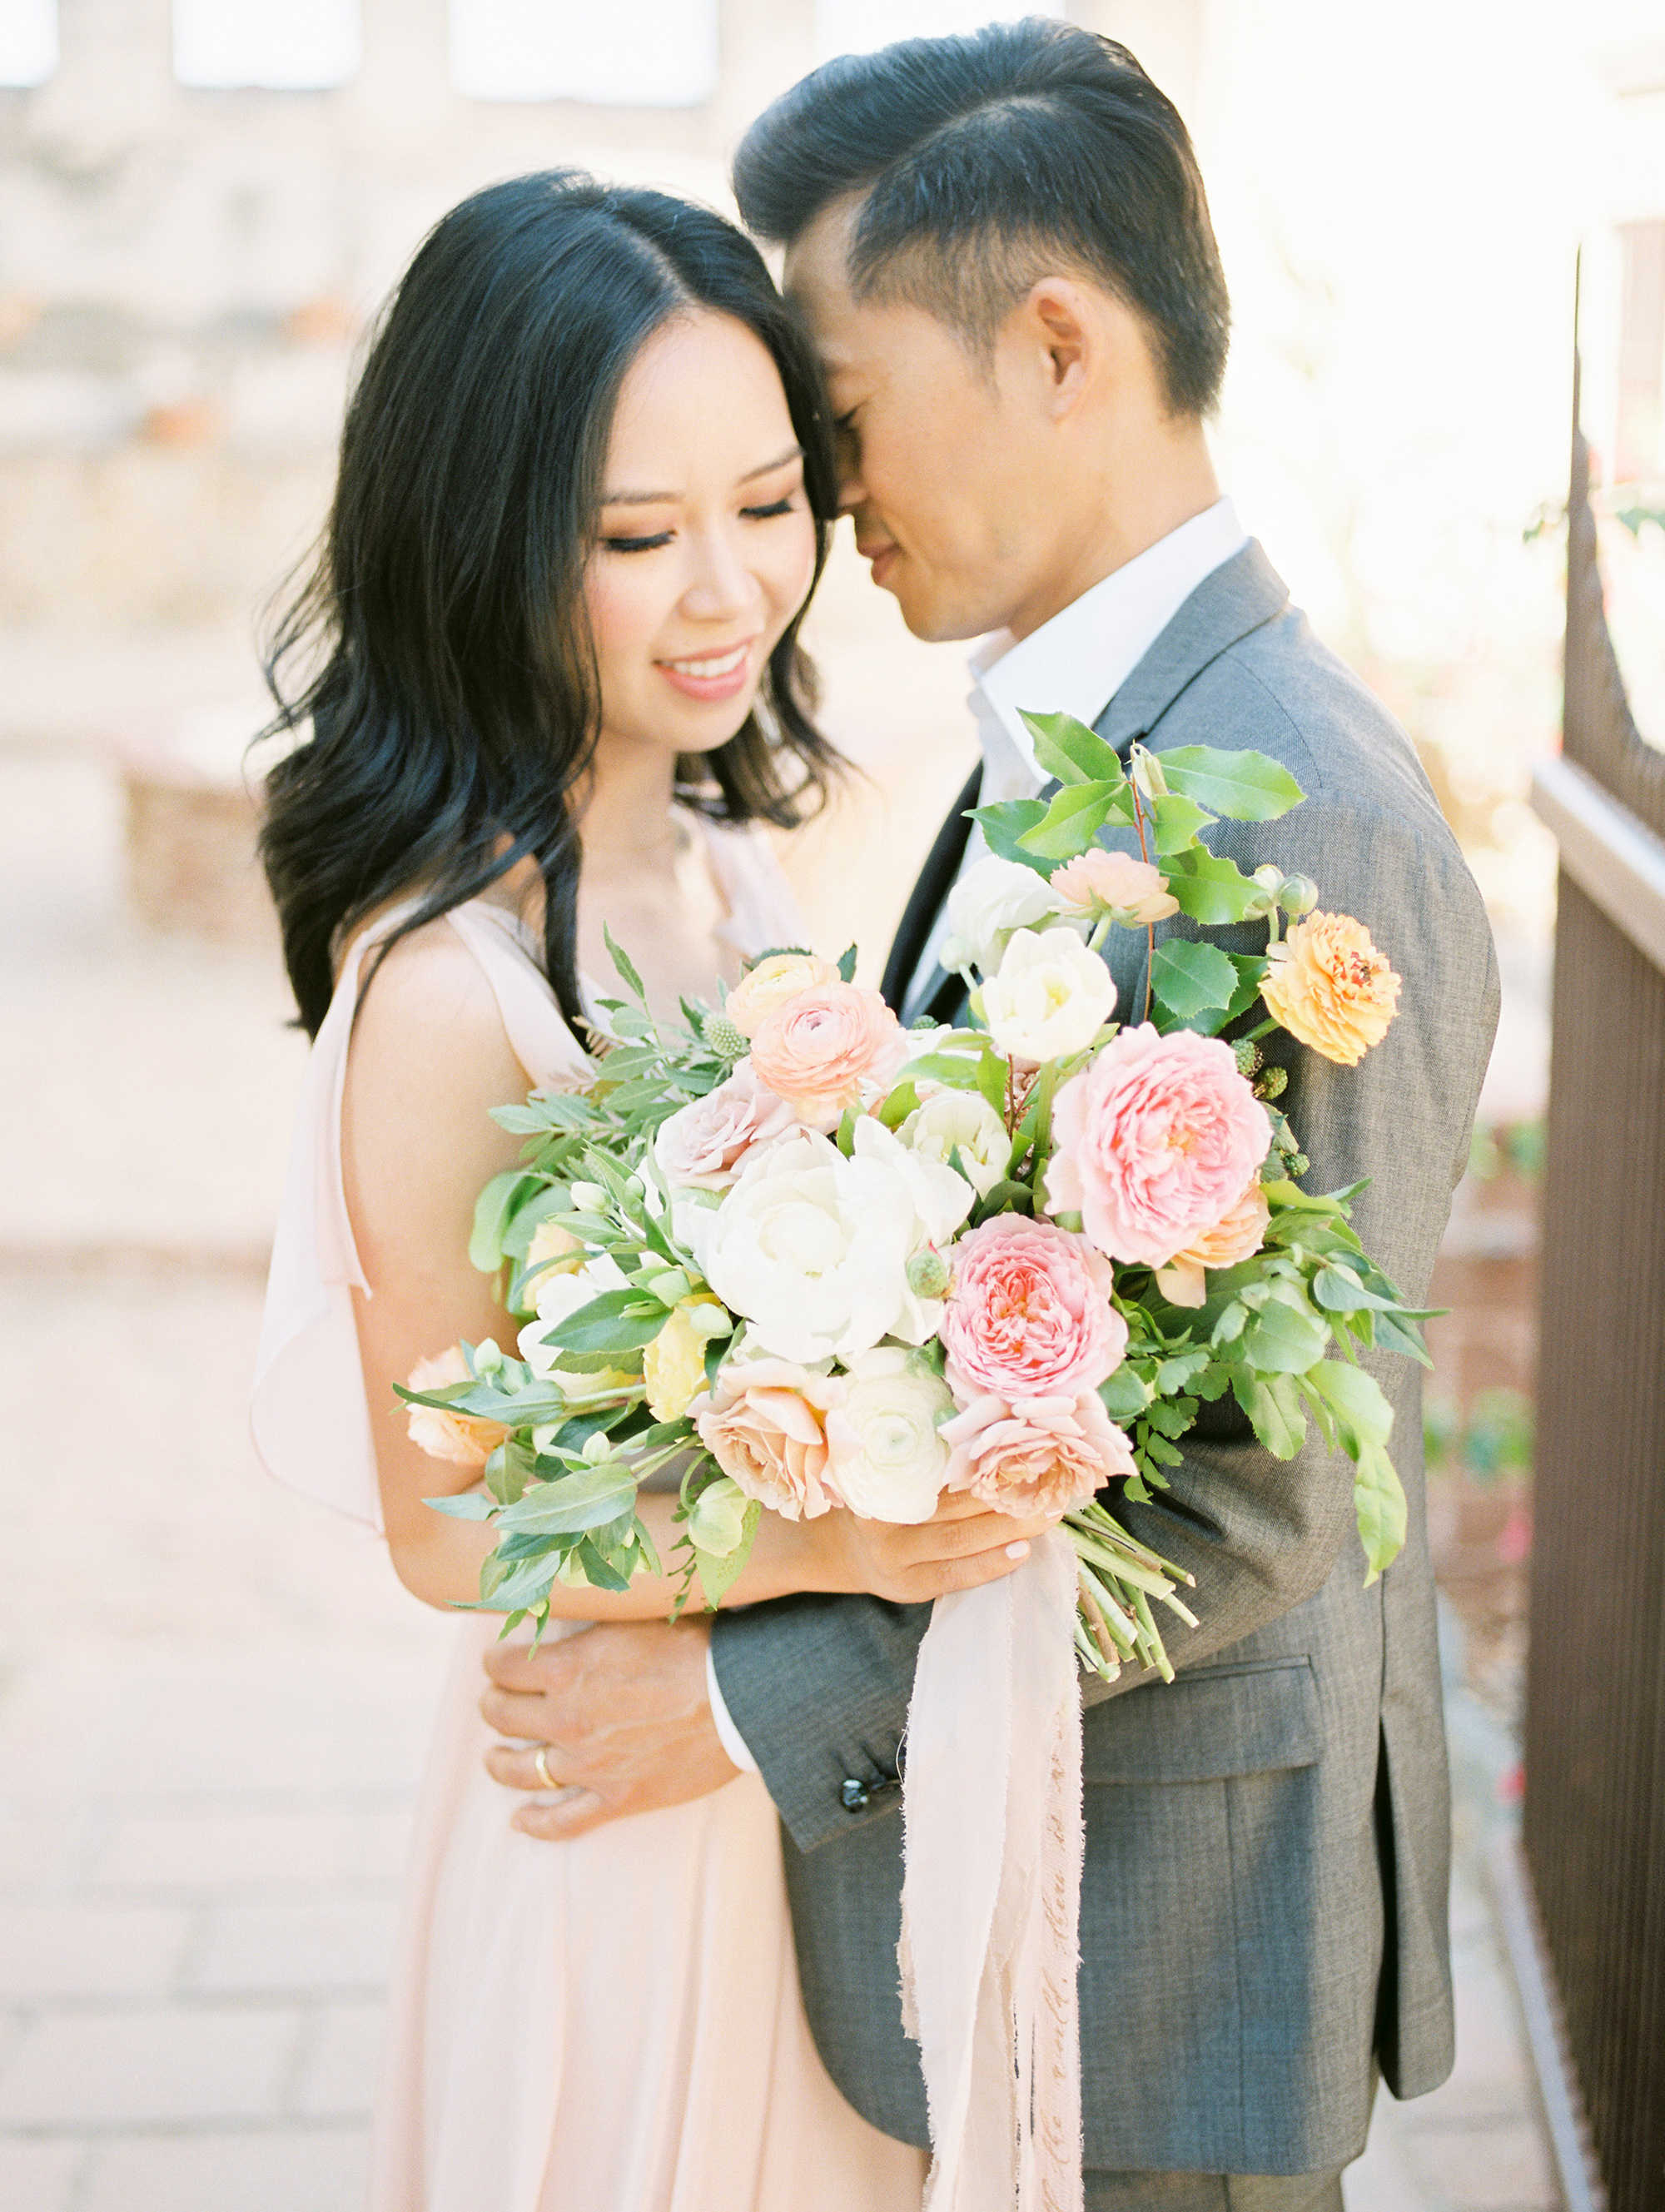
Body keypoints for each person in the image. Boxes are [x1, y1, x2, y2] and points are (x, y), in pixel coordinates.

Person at [486, 27, 1503, 2212]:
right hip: (1066, 1907)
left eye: (838, 420)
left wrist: (757, 1708)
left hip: (1171, 1946)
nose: (828, 503)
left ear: (1057, 346)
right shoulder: (1088, 717)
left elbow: (1259, 1495)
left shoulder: (1303, 808)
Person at [251, 170, 1060, 2212]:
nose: (728, 590)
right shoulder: (449, 985)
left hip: (765, 1794)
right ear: (483, 533)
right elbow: (451, 1517)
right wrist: (854, 1544)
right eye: (636, 537)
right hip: (613, 1808)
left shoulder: (726, 865)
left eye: (770, 502)